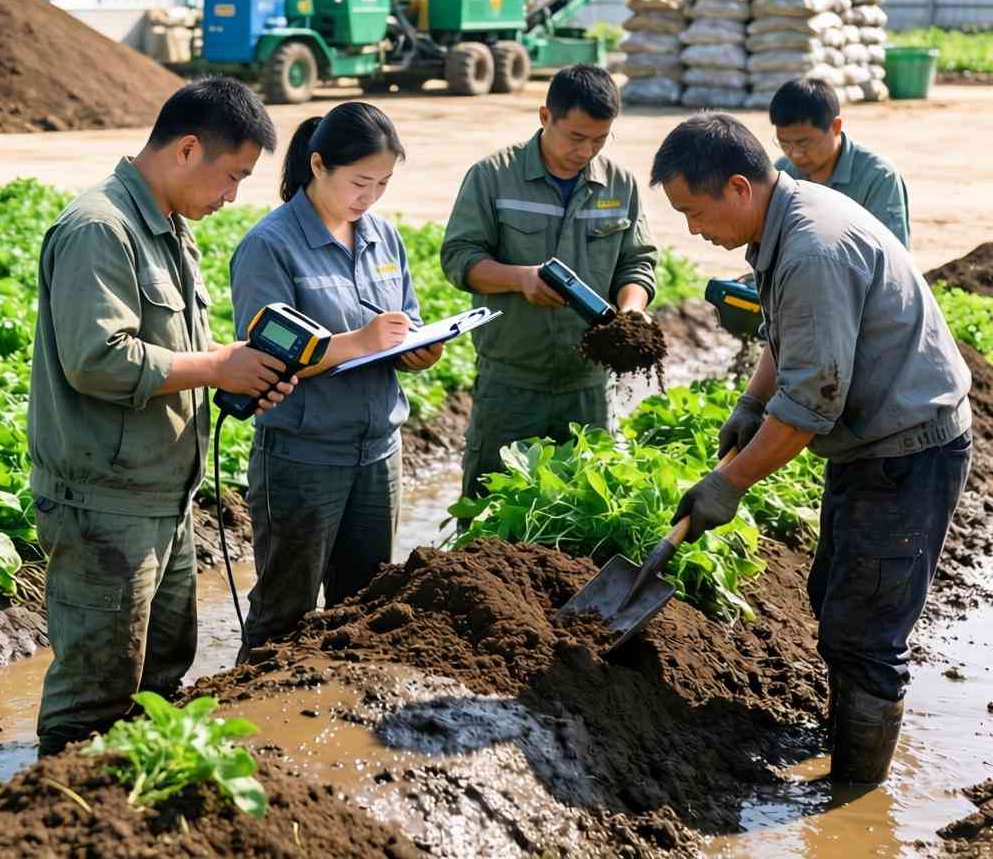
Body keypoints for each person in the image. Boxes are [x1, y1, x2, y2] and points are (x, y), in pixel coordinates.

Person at [650, 112, 971, 786]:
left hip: (907, 451)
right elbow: (784, 339)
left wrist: (728, 483)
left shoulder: (812, 250)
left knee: (866, 631)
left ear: (737, 187)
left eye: (693, 210)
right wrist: (750, 401)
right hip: (873, 443)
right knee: (836, 597)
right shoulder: (786, 219)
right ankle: (844, 735)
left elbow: (808, 409)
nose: (692, 230)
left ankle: (855, 794)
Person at [28, 77, 295, 756]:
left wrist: (232, 371)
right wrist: (214, 368)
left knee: (158, 678)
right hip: (103, 503)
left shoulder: (171, 228)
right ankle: (60, 814)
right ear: (186, 150)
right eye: (232, 176)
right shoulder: (100, 229)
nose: (233, 195)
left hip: (162, 495)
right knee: (93, 697)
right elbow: (98, 359)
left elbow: (170, 354)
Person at [229, 102, 442, 658]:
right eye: (360, 181)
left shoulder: (383, 238)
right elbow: (265, 353)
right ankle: (254, 727)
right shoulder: (270, 245)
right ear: (318, 165)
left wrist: (414, 348)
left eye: (383, 183)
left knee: (365, 604)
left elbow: (404, 320)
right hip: (303, 456)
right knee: (285, 609)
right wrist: (361, 341)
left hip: (378, 452)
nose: (369, 196)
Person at [440, 64, 658, 499]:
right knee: (491, 509)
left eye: (599, 139)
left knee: (584, 511)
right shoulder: (493, 177)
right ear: (545, 117)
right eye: (576, 137)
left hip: (589, 387)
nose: (586, 151)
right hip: (511, 384)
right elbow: (458, 258)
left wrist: (632, 312)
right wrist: (519, 279)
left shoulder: (619, 185)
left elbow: (638, 263)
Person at [770, 77, 911, 248]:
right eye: (784, 143)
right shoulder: (783, 175)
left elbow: (891, 255)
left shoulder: (878, 177)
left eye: (804, 143)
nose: (796, 155)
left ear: (835, 127)